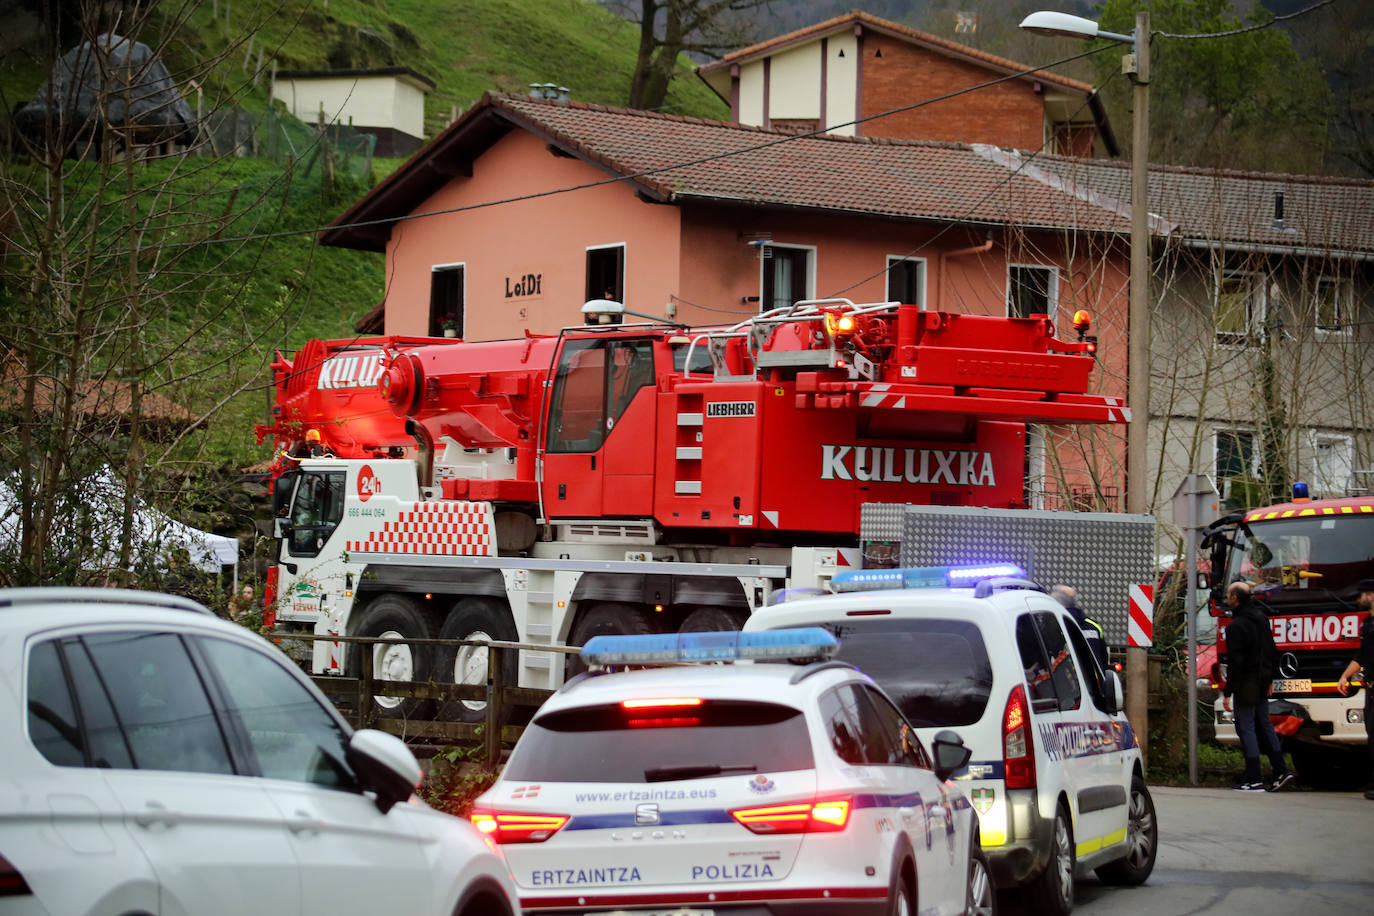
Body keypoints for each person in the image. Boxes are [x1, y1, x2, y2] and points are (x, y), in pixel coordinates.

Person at [1222, 581, 1295, 792]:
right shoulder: (1262, 619)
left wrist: (1228, 692)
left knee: (1246, 728)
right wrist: (1270, 678)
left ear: (1235, 598)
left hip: (1246, 683)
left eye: (1229, 594)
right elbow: (1272, 649)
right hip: (1262, 680)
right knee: (1264, 724)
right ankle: (1281, 770)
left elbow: (1236, 662)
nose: (1227, 597)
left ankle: (1253, 778)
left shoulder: (1236, 626)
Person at [1335, 579, 1374, 800]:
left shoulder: (1372, 625)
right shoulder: (1368, 623)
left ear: (1371, 596)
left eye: (1360, 595)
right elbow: (1363, 655)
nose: (1357, 600)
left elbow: (1364, 655)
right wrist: (1347, 675)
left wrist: (1346, 675)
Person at [1050, 584, 1109, 671]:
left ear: (1057, 603)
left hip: (1067, 681)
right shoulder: (1094, 626)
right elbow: (1103, 660)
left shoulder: (1055, 626)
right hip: (1093, 682)